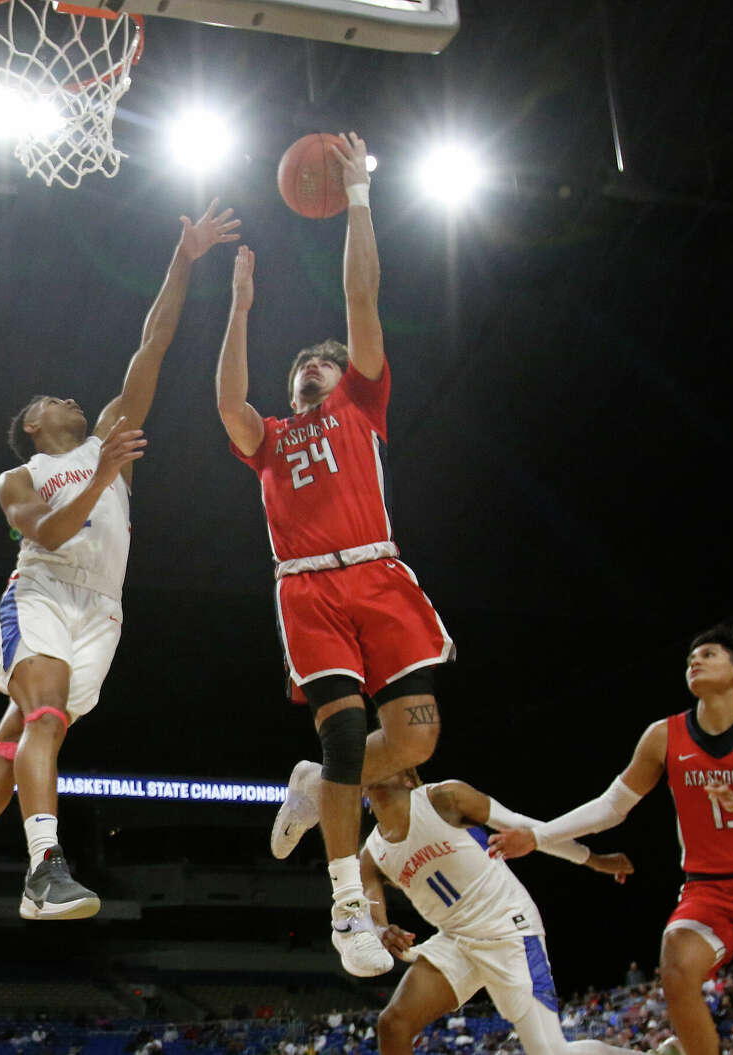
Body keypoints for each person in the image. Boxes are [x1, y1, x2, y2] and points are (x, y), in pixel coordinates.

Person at [0, 200, 240, 921]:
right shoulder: (22, 477)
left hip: (104, 611)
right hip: (43, 592)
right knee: (43, 714)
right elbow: (53, 536)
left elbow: (152, 344)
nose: (70, 395)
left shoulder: (107, 437)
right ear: (35, 425)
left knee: (16, 745)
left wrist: (184, 258)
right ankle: (45, 867)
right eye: (51, 399)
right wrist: (100, 481)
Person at [214, 131, 454, 976]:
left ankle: (314, 788)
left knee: (417, 739)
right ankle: (347, 906)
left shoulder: (362, 400)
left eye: (326, 362)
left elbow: (363, 294)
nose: (318, 370)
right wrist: (240, 309)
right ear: (294, 387)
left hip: (379, 571)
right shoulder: (272, 438)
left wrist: (358, 197)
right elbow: (229, 399)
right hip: (309, 589)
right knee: (347, 734)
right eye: (307, 367)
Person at [488, 624, 733, 1055]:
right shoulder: (664, 735)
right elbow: (612, 806)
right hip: (709, 889)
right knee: (675, 964)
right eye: (692, 656)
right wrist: (537, 836)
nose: (695, 660)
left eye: (709, 654)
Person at [361, 768, 636, 1055]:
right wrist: (380, 930)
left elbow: (523, 826)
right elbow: (371, 908)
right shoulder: (371, 855)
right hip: (456, 938)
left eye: (385, 761)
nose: (376, 765)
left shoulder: (442, 798)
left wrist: (594, 860)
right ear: (362, 791)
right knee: (393, 1025)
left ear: (408, 779)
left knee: (551, 1052)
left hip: (506, 923)